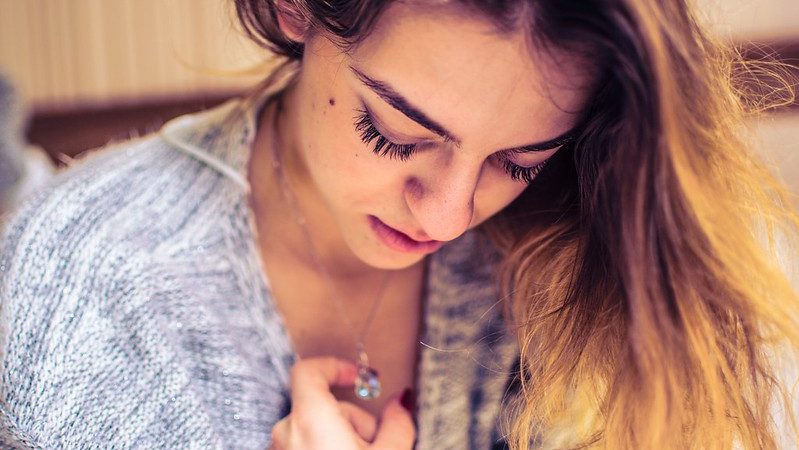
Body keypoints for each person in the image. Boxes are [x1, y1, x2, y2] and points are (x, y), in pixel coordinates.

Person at [1, 0, 797, 449]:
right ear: (295, 11)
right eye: (395, 135)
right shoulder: (85, 287)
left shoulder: (576, 255)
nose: (449, 214)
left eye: (517, 162)